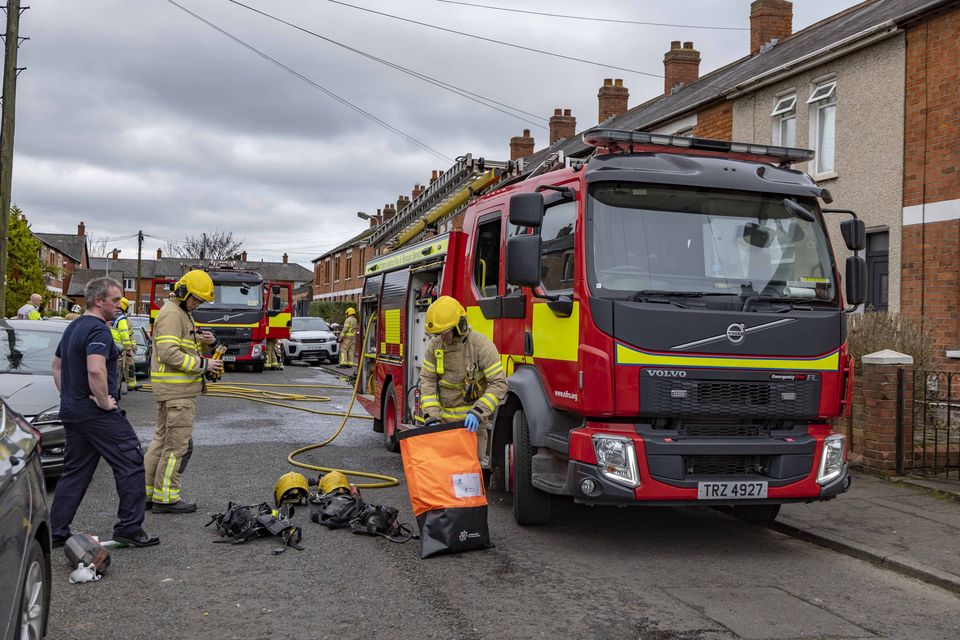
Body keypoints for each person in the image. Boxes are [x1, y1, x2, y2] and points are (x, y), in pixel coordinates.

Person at [48, 277, 159, 548]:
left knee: (75, 471)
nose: (120, 305)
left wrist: (70, 397)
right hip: (97, 414)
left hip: (73, 412)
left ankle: (55, 531)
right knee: (131, 462)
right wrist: (103, 401)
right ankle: (130, 528)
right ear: (99, 301)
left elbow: (57, 366)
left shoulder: (73, 327)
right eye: (115, 300)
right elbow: (96, 369)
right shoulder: (98, 330)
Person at [144, 270, 223, 514]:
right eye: (195, 299)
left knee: (160, 443)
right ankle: (166, 498)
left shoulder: (179, 313)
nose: (197, 304)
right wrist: (204, 365)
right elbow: (169, 352)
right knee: (176, 447)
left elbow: (181, 345)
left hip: (171, 391)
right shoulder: (173, 314)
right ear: (182, 292)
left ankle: (148, 494)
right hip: (178, 393)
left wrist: (205, 342)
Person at [418, 296, 507, 459]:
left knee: (467, 479)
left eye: (443, 333)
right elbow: (428, 380)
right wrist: (431, 417)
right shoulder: (435, 345)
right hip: (443, 427)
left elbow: (499, 383)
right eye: (436, 334)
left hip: (471, 428)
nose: (439, 338)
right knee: (443, 476)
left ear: (459, 326)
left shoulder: (481, 347)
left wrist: (478, 412)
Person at [111, 297, 140, 392]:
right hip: (121, 348)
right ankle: (118, 389)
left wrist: (133, 346)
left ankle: (130, 384)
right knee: (119, 369)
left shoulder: (110, 316)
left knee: (125, 367)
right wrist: (129, 348)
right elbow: (125, 335)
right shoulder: (122, 319)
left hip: (113, 347)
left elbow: (130, 334)